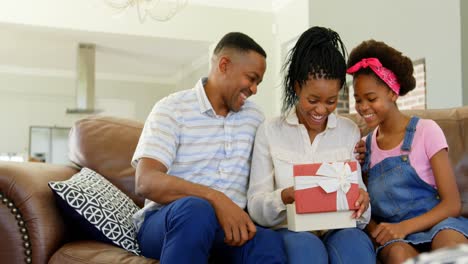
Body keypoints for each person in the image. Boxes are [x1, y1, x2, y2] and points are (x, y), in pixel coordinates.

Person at [131, 32, 287, 263]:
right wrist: (216, 198)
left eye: (258, 83)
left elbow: (281, 157)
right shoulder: (172, 109)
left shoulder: (255, 117)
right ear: (224, 65)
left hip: (228, 230)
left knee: (267, 242)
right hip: (169, 223)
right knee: (197, 210)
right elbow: (145, 181)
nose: (255, 89)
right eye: (251, 78)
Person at [247, 26, 375, 264]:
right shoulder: (270, 131)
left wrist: (362, 201)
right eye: (313, 100)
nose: (321, 110)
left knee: (354, 248)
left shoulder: (349, 132)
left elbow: (361, 214)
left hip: (340, 230)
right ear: (297, 87)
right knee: (307, 251)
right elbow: (255, 207)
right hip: (292, 231)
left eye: (331, 101)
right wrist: (283, 197)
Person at [347, 39, 468, 263]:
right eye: (358, 100)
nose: (363, 107)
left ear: (393, 93)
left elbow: (452, 204)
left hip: (438, 223)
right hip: (396, 238)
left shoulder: (426, 131)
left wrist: (404, 227)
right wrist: (377, 230)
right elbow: (365, 206)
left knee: (449, 243)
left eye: (371, 98)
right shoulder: (365, 147)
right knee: (397, 253)